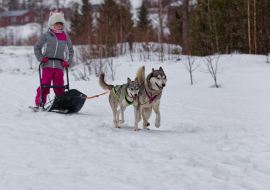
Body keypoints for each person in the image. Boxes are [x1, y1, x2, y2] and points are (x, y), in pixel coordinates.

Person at [34, 9, 74, 107]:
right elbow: (37, 47)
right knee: (45, 85)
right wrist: (41, 58)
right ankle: (40, 102)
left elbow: (71, 50)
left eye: (61, 24)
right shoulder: (47, 36)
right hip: (47, 65)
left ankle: (61, 102)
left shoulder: (65, 37)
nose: (59, 25)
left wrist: (68, 62)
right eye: (57, 24)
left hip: (59, 66)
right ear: (52, 24)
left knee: (59, 86)